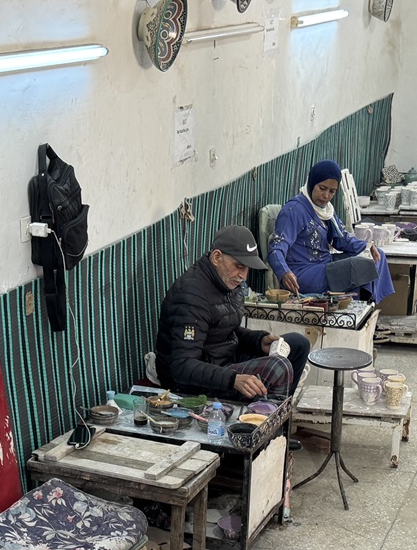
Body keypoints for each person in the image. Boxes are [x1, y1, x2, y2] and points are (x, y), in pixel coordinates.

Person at [154, 225, 310, 400]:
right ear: (217, 257)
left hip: (225, 360)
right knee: (277, 366)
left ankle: (275, 406)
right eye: (239, 266)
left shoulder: (228, 281)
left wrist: (259, 341)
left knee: (298, 344)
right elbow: (182, 366)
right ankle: (267, 414)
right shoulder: (192, 295)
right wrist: (233, 379)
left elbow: (225, 330)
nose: (243, 275)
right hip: (193, 383)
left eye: (247, 268)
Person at [267, 159, 396, 305]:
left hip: (325, 266)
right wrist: (284, 272)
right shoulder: (294, 210)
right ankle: (363, 305)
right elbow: (276, 247)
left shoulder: (326, 210)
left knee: (376, 255)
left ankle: (366, 306)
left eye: (332, 191)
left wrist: (366, 247)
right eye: (322, 188)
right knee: (360, 266)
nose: (326, 195)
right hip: (302, 275)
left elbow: (342, 239)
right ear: (312, 182)